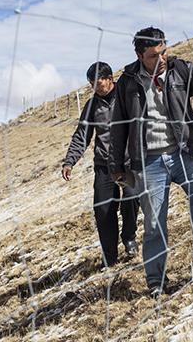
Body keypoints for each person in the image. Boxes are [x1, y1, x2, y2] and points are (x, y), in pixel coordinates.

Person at [109, 27, 193, 296]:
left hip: (184, 151)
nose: (160, 58)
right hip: (148, 161)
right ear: (139, 56)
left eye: (164, 51)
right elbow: (118, 127)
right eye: (152, 55)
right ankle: (156, 279)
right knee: (154, 220)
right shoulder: (127, 83)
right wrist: (117, 167)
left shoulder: (180, 70)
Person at [62, 61, 140, 267]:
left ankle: (129, 238)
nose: (96, 86)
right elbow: (82, 135)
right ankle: (110, 257)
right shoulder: (91, 106)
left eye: (99, 82)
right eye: (91, 83)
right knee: (103, 212)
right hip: (104, 166)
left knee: (131, 199)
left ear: (109, 78)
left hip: (128, 163)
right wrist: (70, 161)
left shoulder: (125, 97)